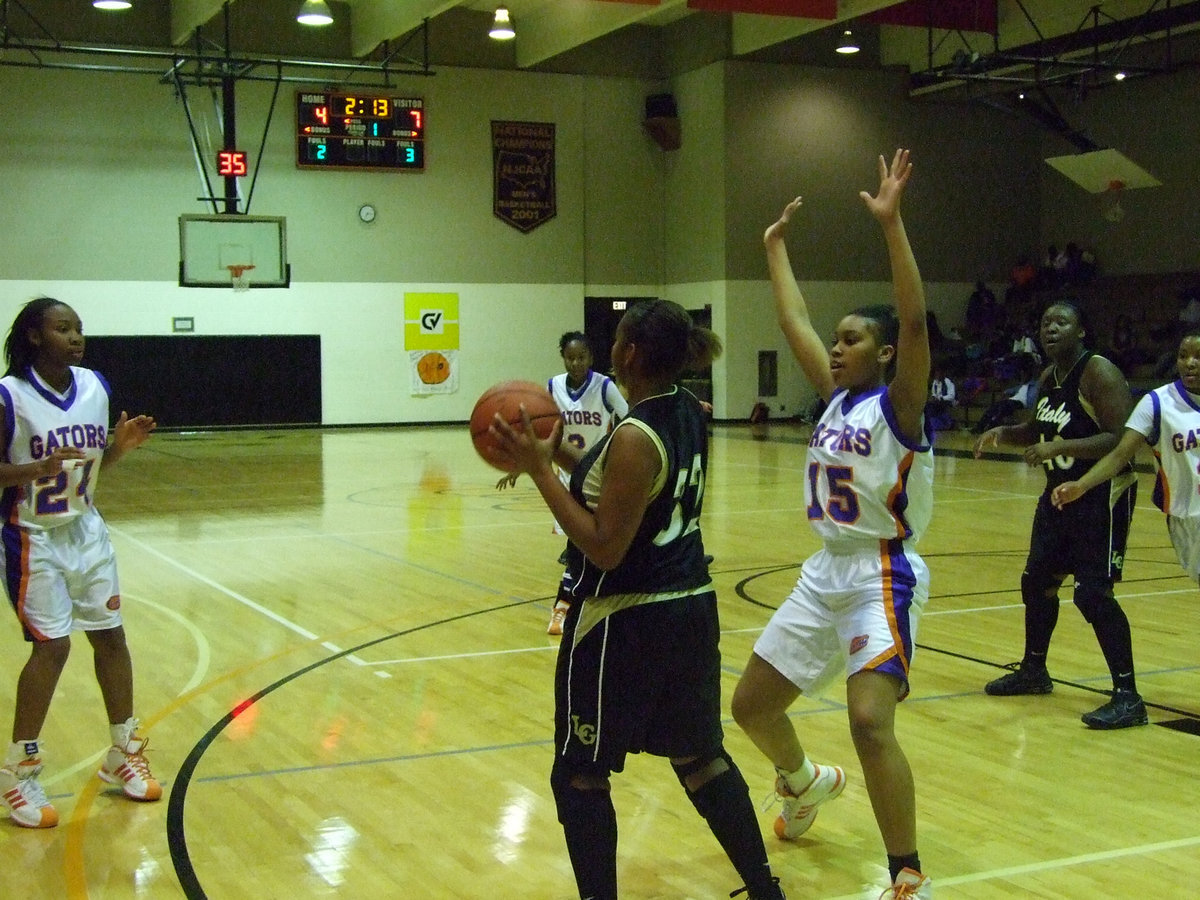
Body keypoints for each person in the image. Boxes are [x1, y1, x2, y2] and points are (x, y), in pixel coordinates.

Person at [489, 299, 785, 900]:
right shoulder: (682, 412)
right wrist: (554, 457)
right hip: (689, 609)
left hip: (624, 623)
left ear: (626, 353)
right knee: (701, 760)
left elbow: (604, 546)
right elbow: (620, 486)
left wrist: (541, 475)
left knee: (580, 775)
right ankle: (764, 890)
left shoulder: (634, 433)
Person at [730, 149, 933, 900]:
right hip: (825, 571)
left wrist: (892, 225)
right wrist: (774, 248)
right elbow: (793, 319)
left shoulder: (900, 406)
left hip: (883, 572)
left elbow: (912, 318)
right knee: (750, 706)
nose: (838, 348)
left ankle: (906, 872)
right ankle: (804, 781)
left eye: (853, 340)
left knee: (870, 721)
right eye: (838, 340)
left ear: (885, 354)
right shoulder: (835, 397)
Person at [0, 297, 160, 829]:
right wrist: (35, 468)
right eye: (61, 328)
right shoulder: (9, 397)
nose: (75, 337)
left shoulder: (95, 386)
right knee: (53, 648)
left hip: (86, 529)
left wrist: (119, 449)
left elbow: (87, 472)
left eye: (78, 329)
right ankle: (18, 773)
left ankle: (123, 751)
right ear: (33, 337)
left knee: (111, 636)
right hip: (31, 535)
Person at [974, 299, 1146, 729]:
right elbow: (1038, 431)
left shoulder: (1098, 372)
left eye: (1061, 321)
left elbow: (1124, 438)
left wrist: (1061, 448)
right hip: (1059, 496)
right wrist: (1005, 433)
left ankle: (1128, 695)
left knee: (1092, 594)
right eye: (1045, 321)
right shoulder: (1049, 376)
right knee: (1037, 583)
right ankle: (1034, 671)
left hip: (1101, 495)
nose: (1051, 328)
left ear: (1081, 330)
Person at [497, 331, 627, 635]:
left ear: (591, 358)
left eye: (581, 357)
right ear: (563, 358)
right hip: (565, 476)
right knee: (582, 548)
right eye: (570, 357)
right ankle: (573, 606)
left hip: (595, 475)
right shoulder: (552, 387)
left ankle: (564, 608)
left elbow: (629, 417)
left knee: (584, 548)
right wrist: (519, 466)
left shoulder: (604, 387)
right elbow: (537, 433)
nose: (576, 362)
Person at [1053, 331, 1200, 591]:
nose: (1190, 363)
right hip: (1187, 517)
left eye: (1198, 357)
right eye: (1183, 356)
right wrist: (1082, 485)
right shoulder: (1157, 404)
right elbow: (1121, 454)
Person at [925, 365, 956, 431]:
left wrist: (941, 398)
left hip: (947, 401)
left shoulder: (948, 382)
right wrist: (933, 397)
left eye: (939, 373)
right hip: (937, 401)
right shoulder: (935, 382)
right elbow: (934, 393)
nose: (937, 375)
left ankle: (947, 421)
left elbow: (951, 395)